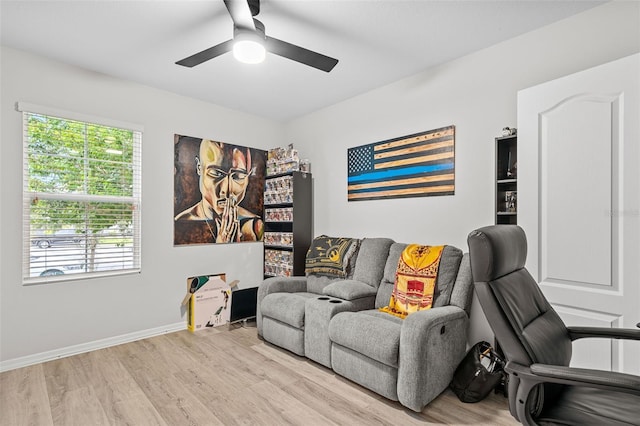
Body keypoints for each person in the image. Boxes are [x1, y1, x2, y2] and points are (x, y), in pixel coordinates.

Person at [175, 139, 263, 243]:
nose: (226, 190)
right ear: (199, 168)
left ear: (248, 175)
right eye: (216, 174)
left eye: (238, 176)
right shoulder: (180, 225)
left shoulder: (255, 226)